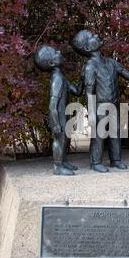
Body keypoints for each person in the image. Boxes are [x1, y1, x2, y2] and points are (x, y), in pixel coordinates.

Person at [72, 30, 129, 173]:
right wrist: (91, 114)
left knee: (115, 133)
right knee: (99, 135)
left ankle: (115, 159)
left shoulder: (111, 62)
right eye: (91, 36)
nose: (97, 35)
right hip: (99, 107)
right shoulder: (90, 67)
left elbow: (128, 75)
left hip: (114, 105)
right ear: (87, 48)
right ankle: (96, 161)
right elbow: (90, 92)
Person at [34, 45, 82, 176]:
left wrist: (83, 78)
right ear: (52, 63)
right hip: (58, 115)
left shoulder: (61, 76)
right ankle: (57, 166)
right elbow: (52, 104)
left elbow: (77, 91)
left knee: (64, 139)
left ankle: (63, 161)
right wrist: (55, 123)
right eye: (55, 52)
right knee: (59, 140)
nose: (59, 51)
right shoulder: (57, 78)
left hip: (63, 114)